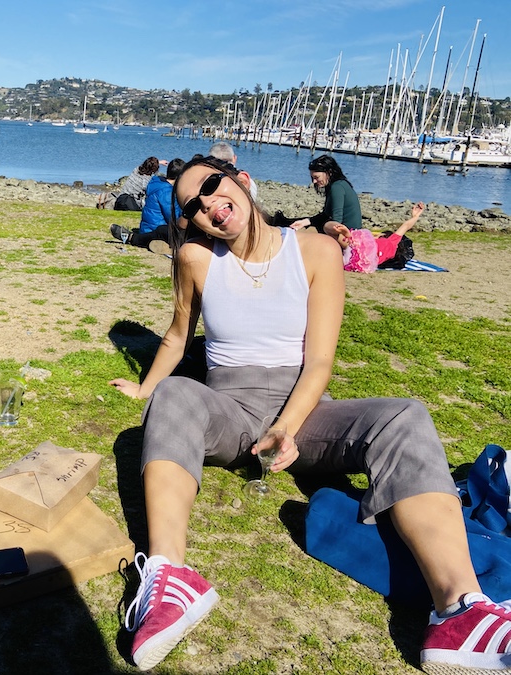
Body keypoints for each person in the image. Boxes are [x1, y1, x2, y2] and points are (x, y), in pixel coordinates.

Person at [108, 156, 510, 673]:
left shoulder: (316, 251)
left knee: (405, 416)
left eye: (212, 185)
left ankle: (460, 610)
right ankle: (169, 579)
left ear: (241, 180)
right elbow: (179, 333)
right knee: (177, 394)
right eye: (193, 204)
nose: (207, 203)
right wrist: (146, 389)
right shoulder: (196, 259)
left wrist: (287, 427)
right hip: (229, 406)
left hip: (305, 410)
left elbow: (320, 360)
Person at [110, 159, 185, 255]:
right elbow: (172, 217)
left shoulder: (156, 182)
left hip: (146, 227)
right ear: (180, 177)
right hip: (155, 229)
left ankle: (166, 246)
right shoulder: (167, 192)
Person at [326, 202, 425, 273]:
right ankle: (345, 235)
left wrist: (415, 216)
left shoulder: (392, 241)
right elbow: (406, 226)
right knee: (335, 257)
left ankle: (347, 233)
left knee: (327, 226)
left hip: (356, 247)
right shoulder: (387, 256)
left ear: (384, 236)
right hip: (358, 263)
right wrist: (415, 216)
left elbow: (406, 226)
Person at [289, 155, 362, 232]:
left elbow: (336, 220)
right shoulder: (337, 185)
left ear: (329, 172)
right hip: (348, 230)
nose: (314, 181)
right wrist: (304, 222)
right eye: (312, 178)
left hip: (348, 233)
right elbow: (325, 215)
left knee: (307, 232)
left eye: (317, 177)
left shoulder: (337, 187)